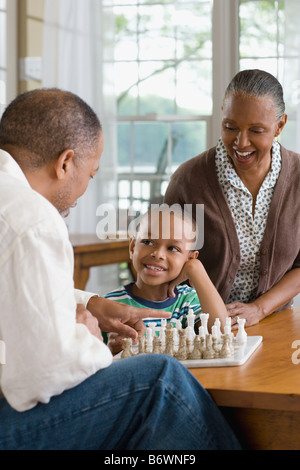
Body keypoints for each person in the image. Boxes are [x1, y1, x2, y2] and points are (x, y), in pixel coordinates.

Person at [0, 89, 240, 450]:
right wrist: (87, 337)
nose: (84, 190)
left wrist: (91, 304)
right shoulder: (31, 219)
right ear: (65, 163)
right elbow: (42, 376)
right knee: (159, 377)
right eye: (92, 174)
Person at [165, 69, 300, 329]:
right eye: (230, 127)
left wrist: (259, 309)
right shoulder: (187, 180)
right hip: (200, 328)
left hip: (276, 324)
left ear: (280, 125)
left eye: (257, 130)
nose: (241, 142)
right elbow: (162, 260)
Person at [105, 205, 228, 354]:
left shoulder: (187, 300)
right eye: (148, 242)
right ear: (132, 247)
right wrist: (109, 351)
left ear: (189, 258)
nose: (158, 254)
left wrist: (195, 268)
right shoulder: (109, 305)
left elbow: (221, 332)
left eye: (173, 248)